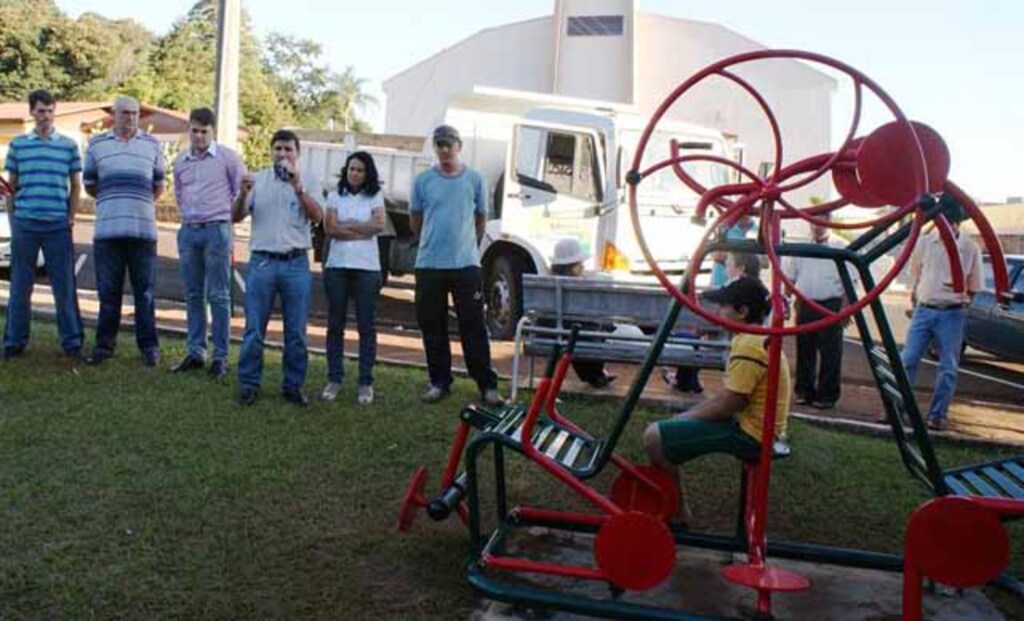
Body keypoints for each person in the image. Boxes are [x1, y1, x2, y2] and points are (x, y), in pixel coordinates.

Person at [643, 276, 790, 523]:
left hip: (751, 435)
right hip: (756, 428)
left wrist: (684, 417)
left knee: (654, 437)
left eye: (723, 306)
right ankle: (674, 509)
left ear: (742, 311)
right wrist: (686, 418)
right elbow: (730, 398)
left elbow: (731, 403)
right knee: (666, 430)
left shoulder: (748, 344)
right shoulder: (755, 338)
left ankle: (678, 514)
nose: (717, 311)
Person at [411, 124, 501, 406]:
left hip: (466, 265)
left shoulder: (475, 179)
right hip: (429, 265)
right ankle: (439, 382)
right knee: (432, 325)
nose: (445, 149)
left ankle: (486, 385)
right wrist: (431, 242)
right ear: (435, 148)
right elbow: (416, 219)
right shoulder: (423, 181)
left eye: (449, 144)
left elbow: (480, 218)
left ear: (459, 146)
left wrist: (466, 246)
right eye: (439, 144)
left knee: (473, 325)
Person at [232, 129, 323, 407]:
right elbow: (235, 216)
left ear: (298, 153)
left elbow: (318, 216)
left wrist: (299, 187)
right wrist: (241, 194)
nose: (282, 154)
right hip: (262, 263)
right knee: (254, 328)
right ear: (271, 152)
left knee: (296, 331)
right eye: (278, 149)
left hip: (295, 264)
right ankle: (249, 383)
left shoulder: (309, 180)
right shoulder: (257, 180)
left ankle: (293, 385)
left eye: (288, 150)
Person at [83, 96, 166, 367]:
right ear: (114, 115)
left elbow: (158, 186)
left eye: (134, 113)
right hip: (108, 232)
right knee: (108, 292)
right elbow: (90, 185)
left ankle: (149, 347)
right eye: (125, 113)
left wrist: (134, 204)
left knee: (145, 293)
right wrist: (116, 201)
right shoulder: (96, 145)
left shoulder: (152, 145)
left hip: (143, 233)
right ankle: (104, 347)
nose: (130, 118)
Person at [2, 89, 84, 362]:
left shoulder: (68, 146)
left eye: (49, 110)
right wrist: (15, 220)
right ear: (31, 112)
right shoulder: (19, 145)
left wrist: (70, 217)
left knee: (64, 286)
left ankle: (72, 343)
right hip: (26, 224)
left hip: (57, 226)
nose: (45, 116)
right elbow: (10, 187)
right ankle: (14, 342)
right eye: (40, 111)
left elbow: (75, 186)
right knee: (20, 286)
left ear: (54, 111)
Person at [170, 107, 246, 380]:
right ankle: (196, 352)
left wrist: (227, 221)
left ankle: (221, 357)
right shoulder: (181, 161)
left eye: (204, 131)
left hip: (217, 231)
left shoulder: (228, 158)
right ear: (189, 130)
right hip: (189, 231)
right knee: (192, 294)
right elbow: (179, 193)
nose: (199, 136)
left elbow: (243, 193)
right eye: (195, 130)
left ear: (213, 131)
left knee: (219, 295)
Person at [900, 201, 983, 431]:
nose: (948, 228)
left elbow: (974, 285)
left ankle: (937, 415)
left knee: (948, 367)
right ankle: (897, 409)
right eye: (943, 222)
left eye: (952, 223)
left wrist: (960, 303)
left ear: (958, 224)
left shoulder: (970, 248)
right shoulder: (926, 243)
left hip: (952, 313)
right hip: (924, 309)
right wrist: (917, 299)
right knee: (907, 359)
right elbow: (916, 275)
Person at [321, 151, 386, 405]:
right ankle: (334, 378)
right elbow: (330, 229)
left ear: (367, 173)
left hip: (367, 269)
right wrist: (362, 229)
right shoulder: (336, 196)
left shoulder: (375, 196)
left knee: (366, 326)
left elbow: (378, 226)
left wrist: (346, 227)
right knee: (335, 325)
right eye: (351, 169)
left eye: (359, 170)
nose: (354, 173)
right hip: (337, 267)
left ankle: (365, 382)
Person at [783, 213, 857, 410]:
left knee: (830, 352)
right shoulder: (802, 247)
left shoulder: (841, 247)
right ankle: (804, 392)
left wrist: (846, 308)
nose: (816, 226)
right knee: (804, 349)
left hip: (831, 305)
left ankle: (827, 396)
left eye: (820, 222)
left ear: (829, 221)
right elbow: (790, 278)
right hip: (806, 304)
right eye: (813, 222)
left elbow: (850, 282)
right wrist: (786, 301)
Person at [664, 251, 761, 393]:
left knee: (688, 341)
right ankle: (687, 381)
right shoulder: (760, 294)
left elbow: (731, 401)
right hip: (723, 344)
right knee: (692, 341)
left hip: (719, 347)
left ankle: (684, 381)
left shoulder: (747, 350)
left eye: (728, 265)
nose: (725, 268)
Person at [546, 238, 616, 389]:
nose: (583, 266)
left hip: (547, 334)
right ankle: (595, 375)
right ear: (574, 266)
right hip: (577, 335)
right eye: (580, 264)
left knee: (577, 334)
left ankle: (595, 376)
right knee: (595, 331)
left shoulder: (547, 283)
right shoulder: (579, 286)